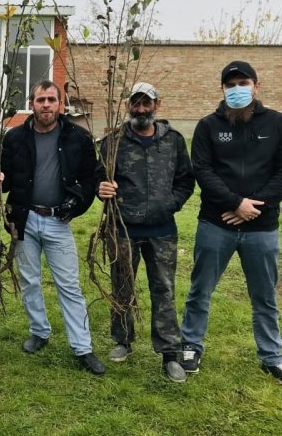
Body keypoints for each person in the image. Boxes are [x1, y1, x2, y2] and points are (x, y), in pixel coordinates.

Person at [180, 61, 282, 388]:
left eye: (243, 82)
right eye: (230, 84)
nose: (237, 89)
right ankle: (191, 345)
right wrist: (235, 203)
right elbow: (203, 171)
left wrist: (253, 208)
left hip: (262, 228)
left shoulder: (278, 124)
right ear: (222, 89)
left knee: (264, 296)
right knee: (200, 290)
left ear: (256, 86)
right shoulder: (207, 126)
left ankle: (273, 357)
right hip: (216, 224)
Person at [0, 79, 105, 375]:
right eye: (40, 99)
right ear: (31, 104)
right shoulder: (15, 138)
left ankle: (83, 347)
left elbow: (90, 178)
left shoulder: (77, 138)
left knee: (69, 285)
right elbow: (4, 176)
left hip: (59, 220)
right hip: (25, 218)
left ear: (60, 104)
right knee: (29, 279)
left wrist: (77, 204)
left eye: (51, 100)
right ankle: (39, 331)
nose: (46, 105)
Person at [95, 82, 194, 383]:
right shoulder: (112, 143)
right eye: (135, 103)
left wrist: (170, 205)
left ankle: (169, 353)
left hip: (162, 230)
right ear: (128, 106)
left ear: (157, 105)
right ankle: (122, 340)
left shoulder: (173, 141)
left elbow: (186, 180)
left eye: (146, 103)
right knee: (122, 285)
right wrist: (102, 190)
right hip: (123, 228)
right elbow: (99, 181)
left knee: (164, 289)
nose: (140, 109)